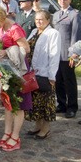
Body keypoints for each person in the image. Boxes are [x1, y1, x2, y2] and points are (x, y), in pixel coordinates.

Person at [0, 4, 31, 152]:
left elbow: (26, 48)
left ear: (1, 17)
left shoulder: (14, 29)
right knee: (8, 103)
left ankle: (15, 136)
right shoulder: (2, 28)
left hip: (18, 72)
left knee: (17, 105)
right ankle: (7, 132)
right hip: (7, 70)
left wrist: (6, 53)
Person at [25, 9, 60, 139]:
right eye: (36, 19)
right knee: (36, 102)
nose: (38, 22)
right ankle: (38, 126)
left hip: (45, 73)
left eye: (41, 19)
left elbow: (54, 54)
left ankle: (45, 129)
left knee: (46, 102)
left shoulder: (53, 33)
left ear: (48, 20)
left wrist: (52, 75)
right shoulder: (34, 32)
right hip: (34, 73)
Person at [53, 0, 81, 118]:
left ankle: (72, 107)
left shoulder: (75, 14)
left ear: (70, 0)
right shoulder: (55, 14)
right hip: (56, 54)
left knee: (69, 81)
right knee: (58, 81)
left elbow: (76, 35)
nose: (62, 1)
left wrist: (74, 53)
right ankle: (61, 104)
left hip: (67, 53)